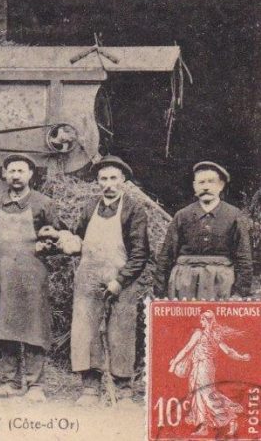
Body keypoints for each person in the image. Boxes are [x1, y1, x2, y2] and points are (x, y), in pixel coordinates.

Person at [0, 154, 62, 401]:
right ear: (4, 174)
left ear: (30, 174)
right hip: (2, 272)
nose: (15, 175)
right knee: (5, 328)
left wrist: (50, 242)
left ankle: (36, 385)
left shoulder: (44, 203)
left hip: (32, 274)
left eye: (21, 171)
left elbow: (59, 238)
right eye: (11, 171)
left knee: (33, 328)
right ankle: (11, 382)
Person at [65, 156, 149, 406]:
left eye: (114, 178)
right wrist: (69, 241)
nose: (108, 184)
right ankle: (90, 386)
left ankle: (123, 389)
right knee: (85, 330)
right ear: (97, 181)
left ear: (123, 180)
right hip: (88, 278)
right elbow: (77, 235)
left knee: (121, 332)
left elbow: (140, 253)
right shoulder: (89, 206)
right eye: (103, 179)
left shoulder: (135, 209)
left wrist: (120, 281)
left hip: (121, 279)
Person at [155, 161, 253, 300]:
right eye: (201, 183)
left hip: (221, 283)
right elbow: (167, 254)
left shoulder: (234, 215)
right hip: (184, 283)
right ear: (194, 186)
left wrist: (240, 293)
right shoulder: (182, 215)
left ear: (221, 186)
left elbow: (244, 256)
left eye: (211, 182)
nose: (206, 187)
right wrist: (160, 291)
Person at [168, 310, 250, 437]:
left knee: (204, 394)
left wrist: (174, 364)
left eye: (202, 320)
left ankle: (229, 418)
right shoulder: (215, 335)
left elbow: (186, 349)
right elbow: (228, 351)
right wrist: (241, 357)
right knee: (201, 394)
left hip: (202, 367)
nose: (200, 322)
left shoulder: (198, 333)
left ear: (207, 321)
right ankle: (205, 426)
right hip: (206, 367)